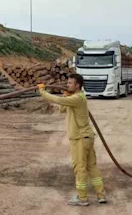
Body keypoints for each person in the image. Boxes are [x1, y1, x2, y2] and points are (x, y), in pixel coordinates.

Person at [38, 74, 106, 206]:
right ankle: (101, 195)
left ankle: (82, 198)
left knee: (80, 168)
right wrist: (66, 95)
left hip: (80, 138)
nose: (67, 85)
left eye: (70, 83)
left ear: (77, 85)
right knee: (92, 166)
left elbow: (59, 102)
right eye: (67, 83)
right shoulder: (75, 98)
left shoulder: (78, 98)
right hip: (86, 137)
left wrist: (42, 92)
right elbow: (63, 108)